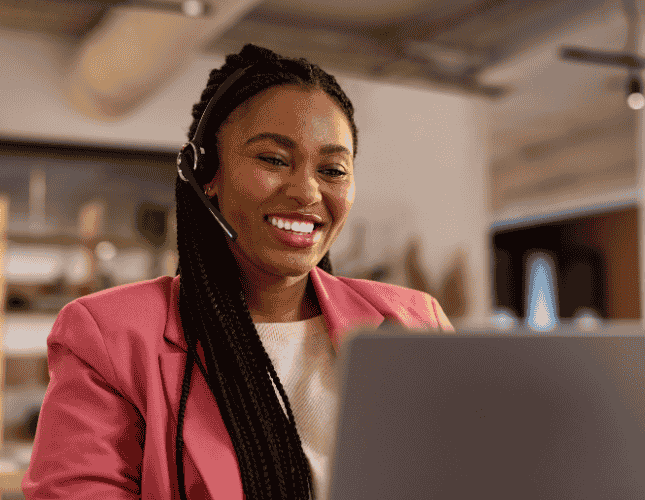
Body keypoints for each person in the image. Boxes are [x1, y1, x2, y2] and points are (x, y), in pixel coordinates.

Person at [22, 43, 454, 500]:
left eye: (333, 169)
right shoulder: (109, 337)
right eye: (273, 159)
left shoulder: (415, 323)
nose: (307, 191)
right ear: (207, 171)